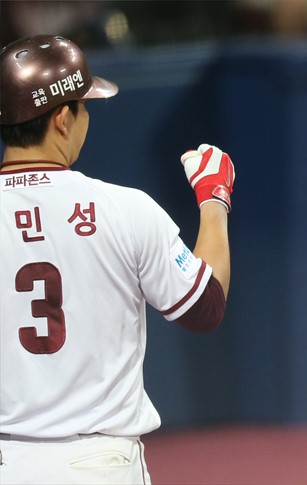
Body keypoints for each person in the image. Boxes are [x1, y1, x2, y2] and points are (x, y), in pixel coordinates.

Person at [0, 35, 234, 484]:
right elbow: (205, 307)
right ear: (62, 119)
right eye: (84, 106)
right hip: (99, 463)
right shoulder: (124, 208)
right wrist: (213, 200)